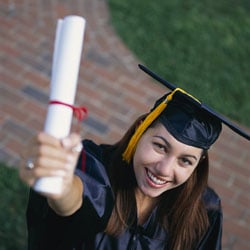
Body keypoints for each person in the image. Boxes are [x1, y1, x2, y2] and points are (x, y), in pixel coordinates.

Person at [19, 65, 250, 250]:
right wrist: (61, 184)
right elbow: (77, 196)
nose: (164, 169)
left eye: (185, 160)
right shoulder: (97, 165)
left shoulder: (205, 210)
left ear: (198, 165)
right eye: (160, 146)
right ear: (141, 130)